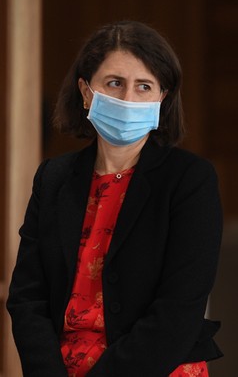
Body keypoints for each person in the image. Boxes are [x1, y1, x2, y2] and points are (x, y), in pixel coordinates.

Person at [6, 20, 223, 376]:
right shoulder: (54, 178)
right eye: (115, 83)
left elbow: (179, 308)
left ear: (162, 97)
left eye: (144, 86)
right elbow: (28, 296)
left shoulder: (189, 180)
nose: (128, 99)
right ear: (86, 91)